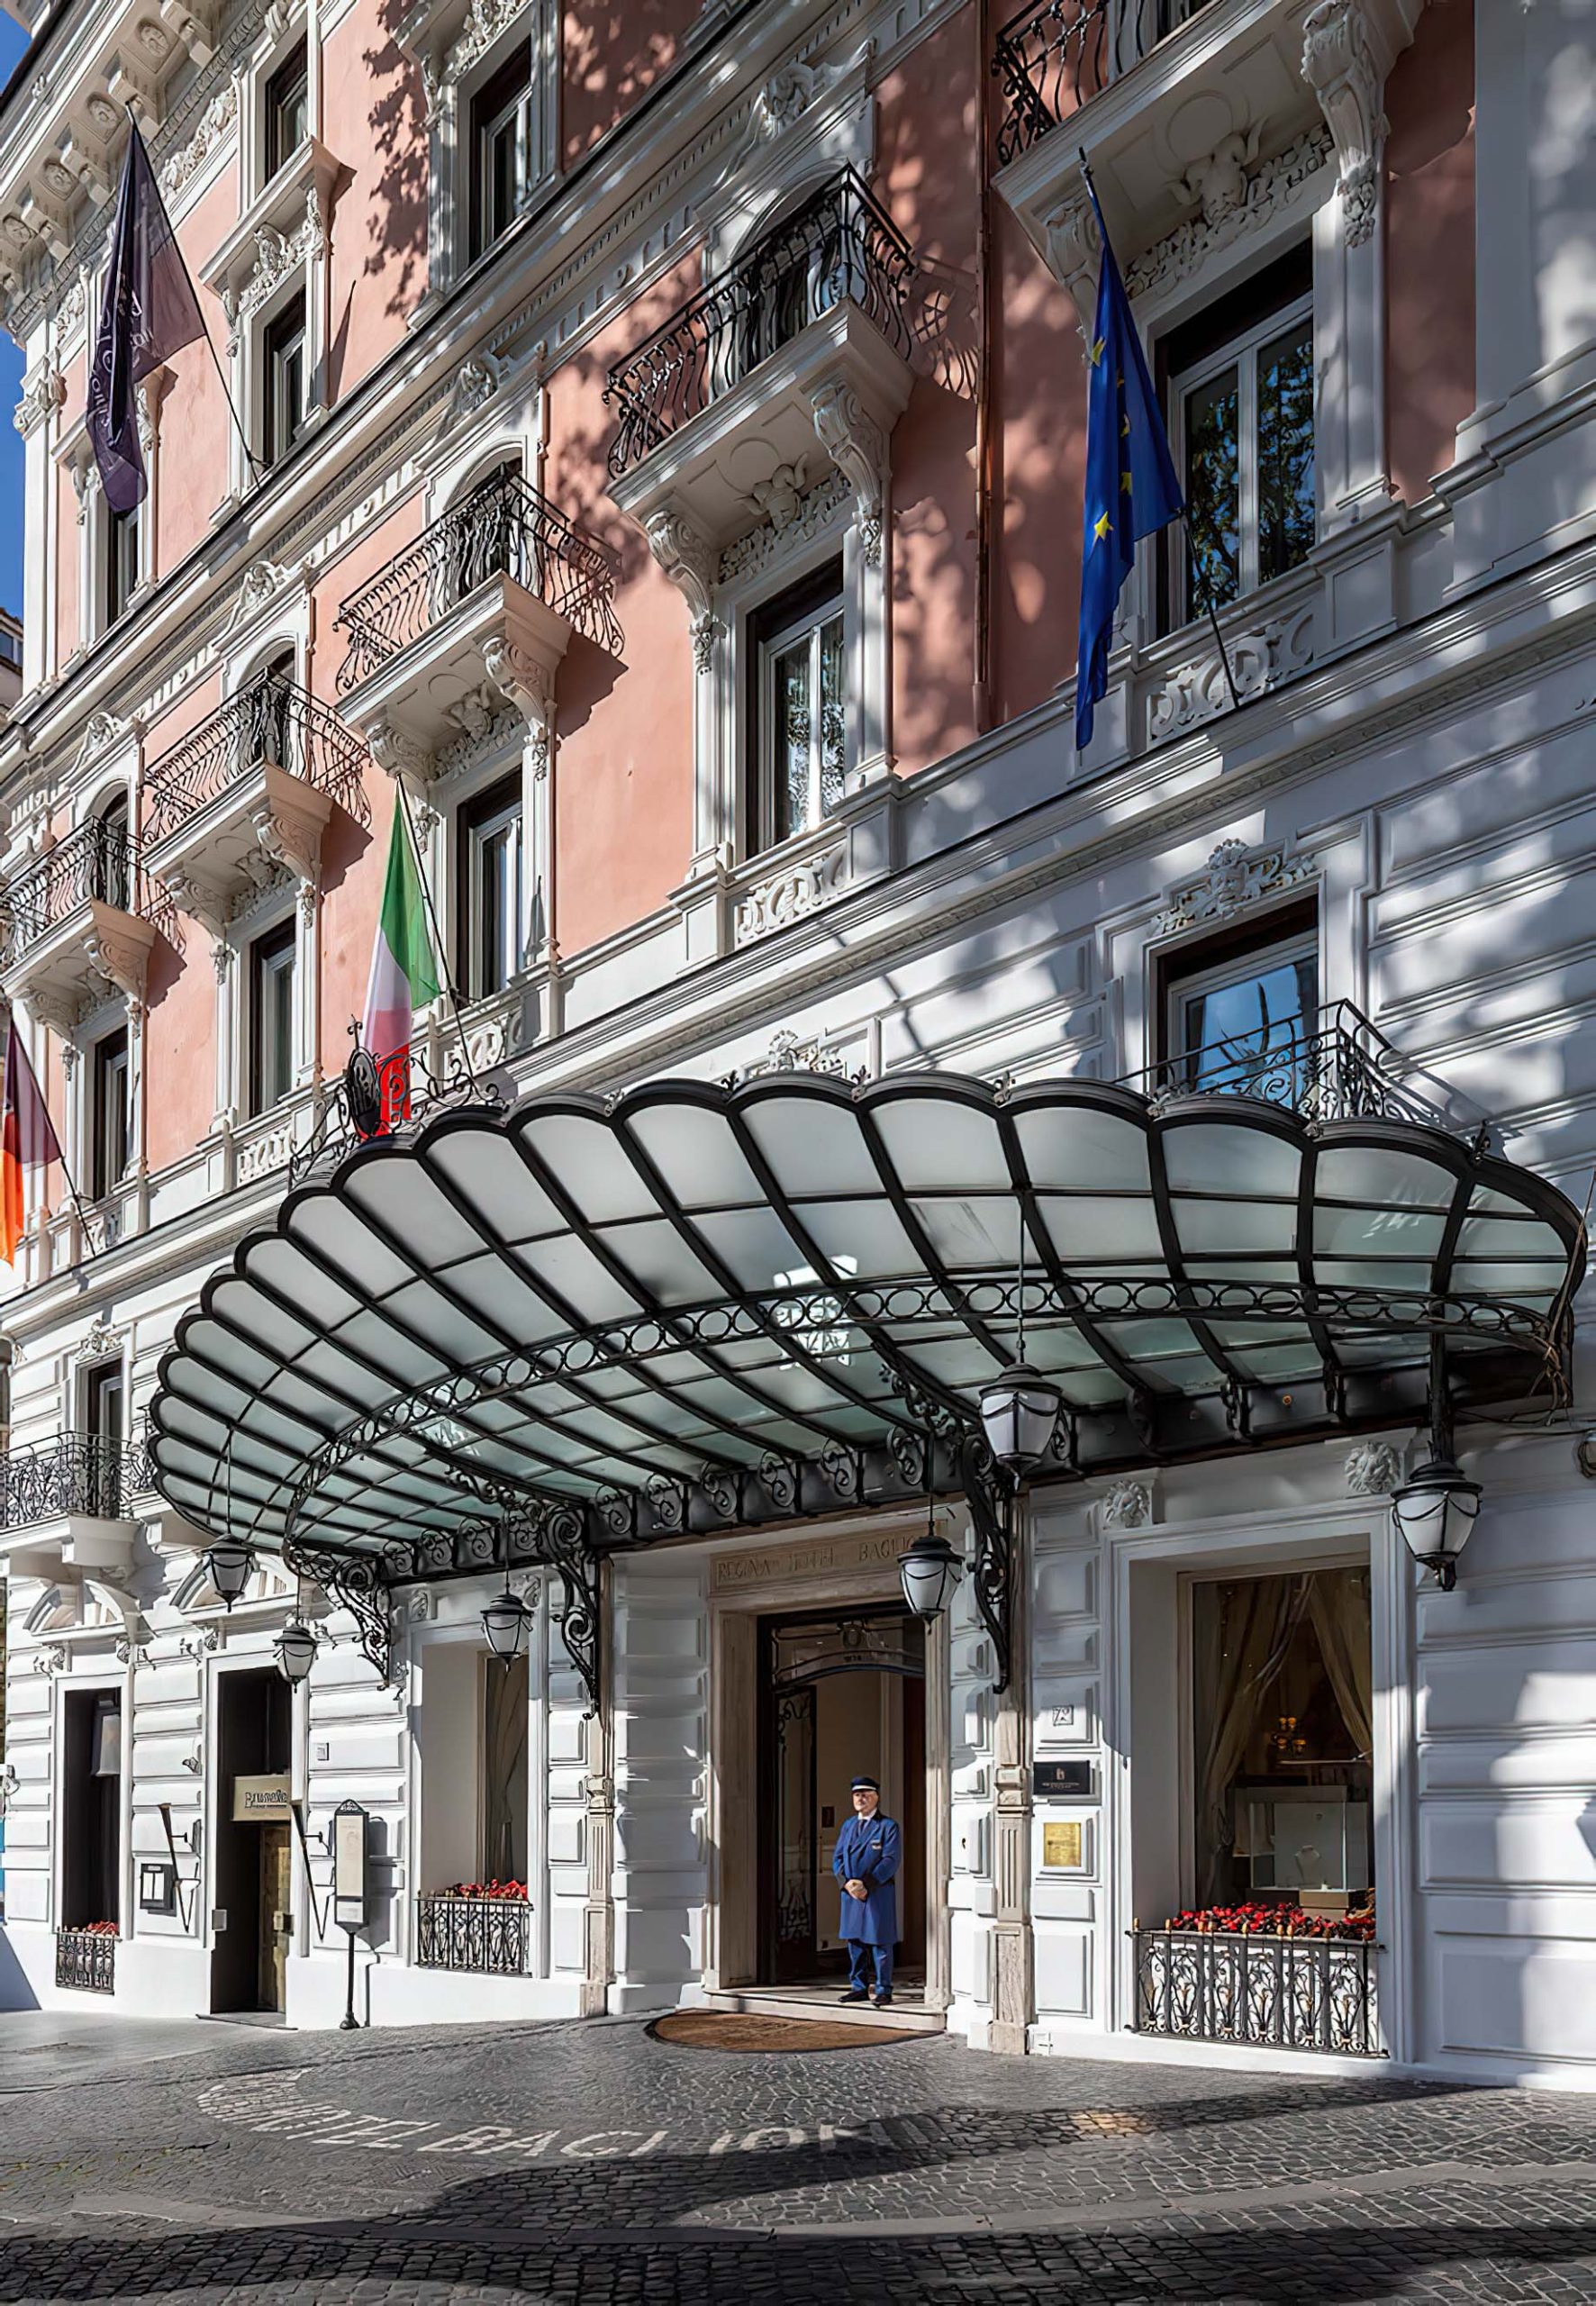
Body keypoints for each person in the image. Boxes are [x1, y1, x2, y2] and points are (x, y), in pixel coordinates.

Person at [832, 1774, 902, 2007]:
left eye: (865, 1794)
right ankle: (858, 1987)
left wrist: (866, 1884)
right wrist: (846, 1882)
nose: (860, 1798)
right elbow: (838, 1857)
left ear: (876, 1797)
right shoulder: (848, 1825)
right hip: (851, 1894)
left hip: (877, 1893)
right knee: (855, 1943)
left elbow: (889, 1861)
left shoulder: (888, 1827)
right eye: (856, 1794)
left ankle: (883, 1989)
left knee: (880, 1943)